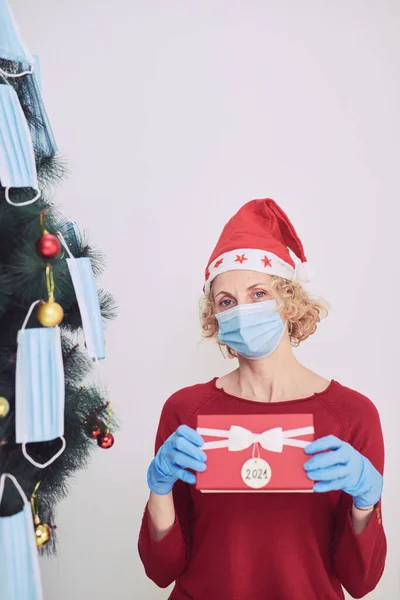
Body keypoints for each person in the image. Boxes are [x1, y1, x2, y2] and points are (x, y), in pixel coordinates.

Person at [138, 198, 386, 600]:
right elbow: (161, 570)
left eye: (258, 293)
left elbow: (360, 583)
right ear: (214, 317)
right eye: (226, 301)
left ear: (289, 301)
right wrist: (159, 488)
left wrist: (366, 500)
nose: (242, 312)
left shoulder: (353, 416)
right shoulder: (185, 411)